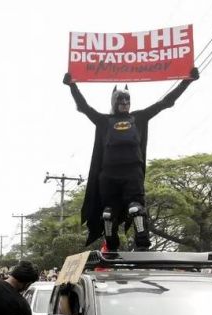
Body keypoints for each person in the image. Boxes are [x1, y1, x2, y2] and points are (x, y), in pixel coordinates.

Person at [64, 68, 198, 251]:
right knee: (114, 212)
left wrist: (186, 81)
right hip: (114, 174)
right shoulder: (108, 120)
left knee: (130, 209)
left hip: (126, 173)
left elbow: (165, 102)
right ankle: (117, 243)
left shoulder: (134, 118)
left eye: (127, 100)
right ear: (114, 102)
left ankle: (136, 242)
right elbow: (84, 107)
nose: (125, 103)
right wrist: (72, 86)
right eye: (121, 100)